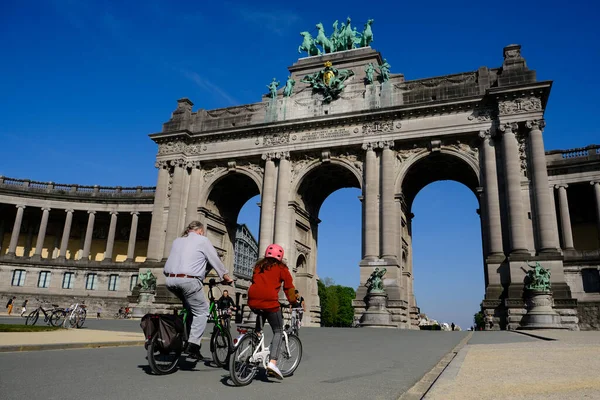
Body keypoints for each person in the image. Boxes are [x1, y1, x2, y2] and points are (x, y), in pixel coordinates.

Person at [164, 221, 233, 360]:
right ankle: (193, 345)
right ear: (200, 231)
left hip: (170, 280)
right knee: (202, 312)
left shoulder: (178, 241)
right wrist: (225, 276)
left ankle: (184, 336)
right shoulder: (203, 240)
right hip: (189, 281)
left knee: (190, 309)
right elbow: (214, 259)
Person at [248, 244, 297, 380]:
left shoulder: (258, 266)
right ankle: (273, 363)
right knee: (278, 331)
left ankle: (255, 347)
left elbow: (255, 281)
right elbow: (288, 287)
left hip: (252, 300)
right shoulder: (282, 268)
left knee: (259, 327)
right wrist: (293, 301)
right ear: (280, 257)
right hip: (269, 301)